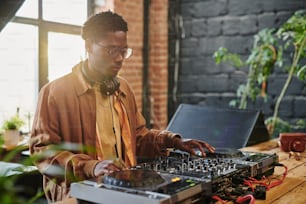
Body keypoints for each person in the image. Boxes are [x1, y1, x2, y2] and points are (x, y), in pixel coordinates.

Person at [29, 11, 215, 202]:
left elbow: (137, 138)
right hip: (77, 196)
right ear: (88, 45)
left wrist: (173, 141)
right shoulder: (55, 92)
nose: (120, 59)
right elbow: (42, 152)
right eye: (111, 50)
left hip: (124, 193)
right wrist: (91, 167)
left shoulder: (123, 88)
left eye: (123, 51)